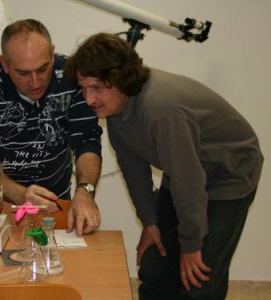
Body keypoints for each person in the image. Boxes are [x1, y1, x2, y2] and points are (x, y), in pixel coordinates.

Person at [65, 33, 263, 300]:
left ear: (121, 79)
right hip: (186, 171)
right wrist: (150, 221)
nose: (89, 99)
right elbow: (132, 166)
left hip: (229, 173)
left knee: (198, 278)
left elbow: (188, 181)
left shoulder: (160, 110)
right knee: (154, 266)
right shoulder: (115, 109)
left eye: (97, 88)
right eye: (83, 88)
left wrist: (192, 246)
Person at [0, 19, 103, 234]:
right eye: (23, 73)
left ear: (52, 55)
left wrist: (85, 191)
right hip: (0, 206)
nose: (36, 82)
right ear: (5, 64)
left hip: (57, 204)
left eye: (43, 69)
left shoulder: (72, 78)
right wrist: (19, 194)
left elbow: (87, 140)